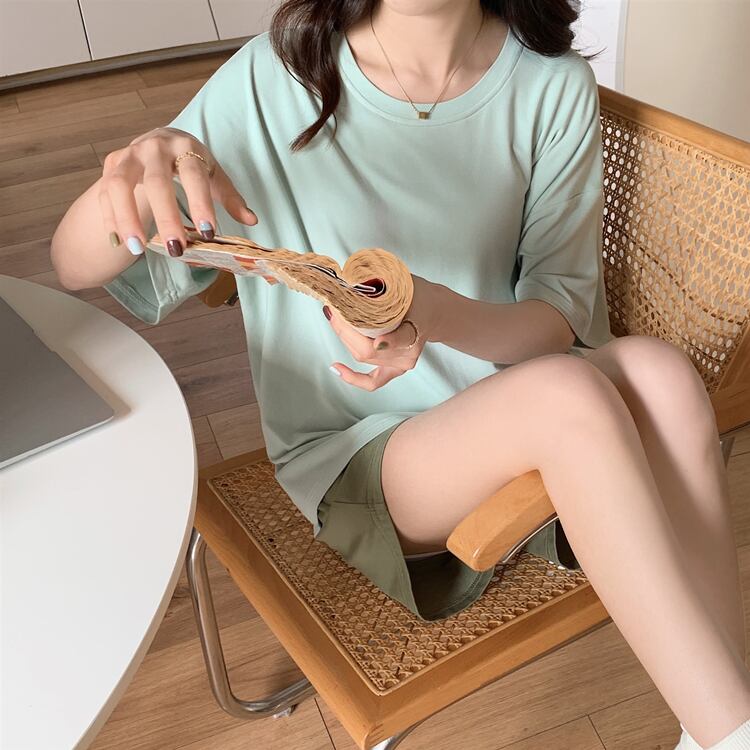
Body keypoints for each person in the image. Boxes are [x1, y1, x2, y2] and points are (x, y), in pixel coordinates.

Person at [49, 1, 750, 747]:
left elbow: (555, 320)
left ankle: (714, 721)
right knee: (571, 393)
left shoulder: (551, 83)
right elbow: (74, 265)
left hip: (529, 407)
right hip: (365, 451)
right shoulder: (274, 78)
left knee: (662, 375)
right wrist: (133, 173)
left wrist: (435, 313)